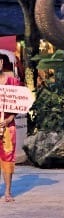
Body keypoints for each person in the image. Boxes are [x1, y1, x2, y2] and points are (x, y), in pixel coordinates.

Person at [0, 54, 20, 202]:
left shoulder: (13, 82)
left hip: (8, 126)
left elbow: (19, 104)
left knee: (7, 157)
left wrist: (9, 119)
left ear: (1, 63)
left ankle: (7, 191)